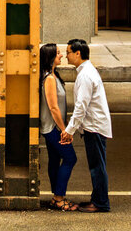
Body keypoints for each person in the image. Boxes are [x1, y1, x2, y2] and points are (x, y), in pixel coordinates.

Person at [60, 38, 111, 213]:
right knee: (97, 165)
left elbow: (81, 106)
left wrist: (69, 130)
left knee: (97, 166)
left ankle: (101, 203)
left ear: (77, 53)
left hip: (94, 127)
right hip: (94, 125)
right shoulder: (87, 71)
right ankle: (97, 199)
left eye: (68, 52)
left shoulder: (85, 75)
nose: (66, 56)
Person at [38, 43, 78, 212]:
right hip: (53, 127)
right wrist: (65, 130)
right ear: (50, 58)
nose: (61, 56)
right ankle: (58, 198)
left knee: (55, 160)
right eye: (58, 54)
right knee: (70, 158)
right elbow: (53, 108)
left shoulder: (54, 76)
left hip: (55, 126)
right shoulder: (49, 79)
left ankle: (56, 196)